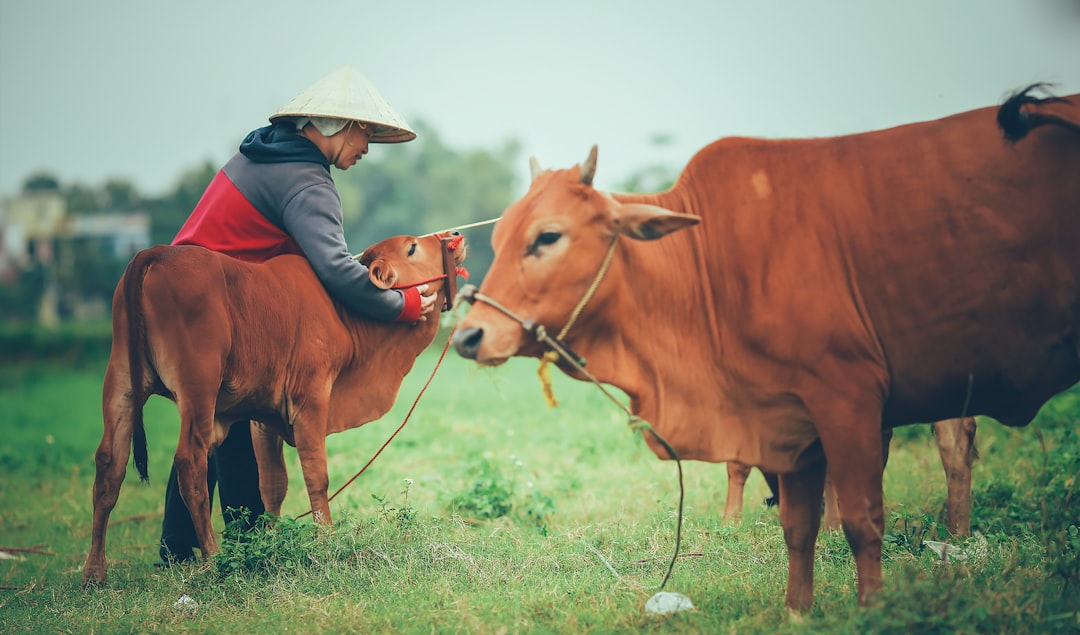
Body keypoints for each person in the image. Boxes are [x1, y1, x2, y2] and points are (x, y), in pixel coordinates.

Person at [157, 65, 437, 565]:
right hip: (214, 306)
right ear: (336, 126)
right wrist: (403, 305)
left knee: (205, 422)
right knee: (234, 412)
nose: (367, 147)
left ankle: (177, 548)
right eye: (365, 133)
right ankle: (250, 548)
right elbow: (334, 270)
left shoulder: (261, 153)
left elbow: (315, 264)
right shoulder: (309, 183)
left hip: (174, 297)